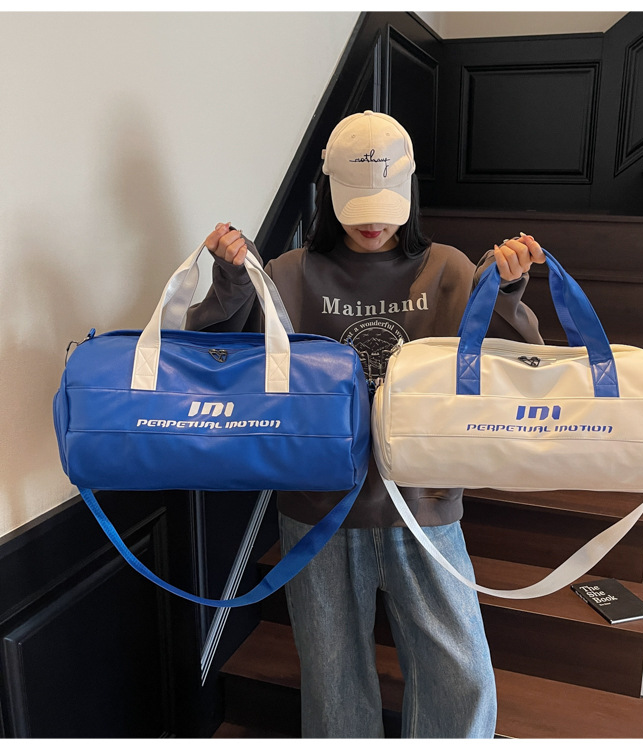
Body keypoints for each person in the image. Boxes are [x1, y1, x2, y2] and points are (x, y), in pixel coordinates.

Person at [187, 110, 545, 738]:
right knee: (334, 685)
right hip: (318, 506)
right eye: (356, 203)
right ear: (329, 191)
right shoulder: (291, 273)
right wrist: (231, 281)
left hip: (423, 502)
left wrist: (506, 288)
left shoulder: (448, 270)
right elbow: (215, 363)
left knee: (461, 676)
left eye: (385, 202)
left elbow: (509, 367)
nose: (373, 221)